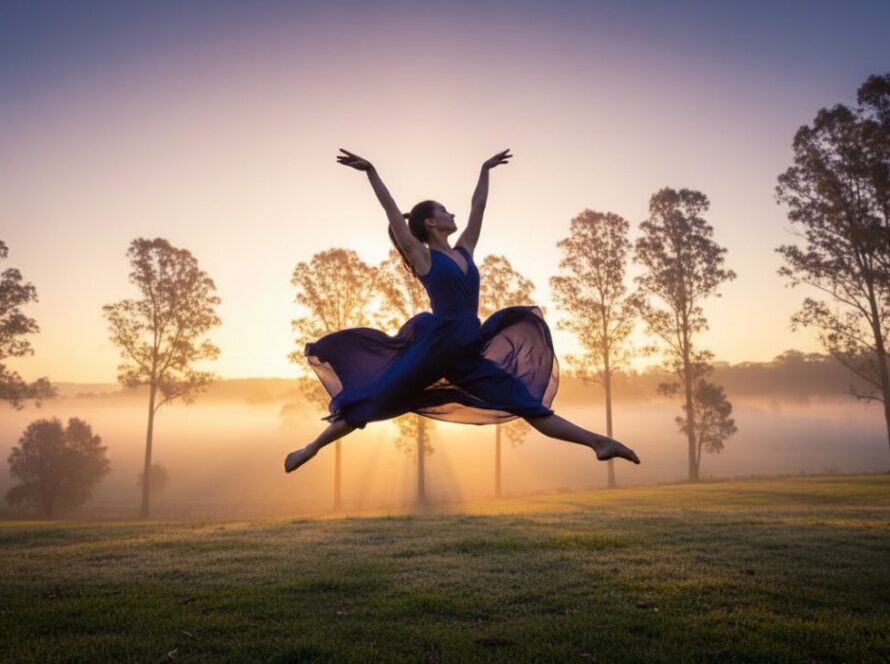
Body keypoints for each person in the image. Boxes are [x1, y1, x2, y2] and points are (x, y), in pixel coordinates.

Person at [285, 148, 640, 473]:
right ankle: (310, 449)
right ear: (430, 223)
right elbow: (392, 211)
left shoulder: (465, 251)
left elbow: (478, 207)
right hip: (435, 346)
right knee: (374, 398)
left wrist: (486, 170)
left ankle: (599, 442)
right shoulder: (424, 256)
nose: (451, 213)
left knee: (525, 403)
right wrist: (372, 172)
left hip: (466, 350)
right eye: (443, 210)